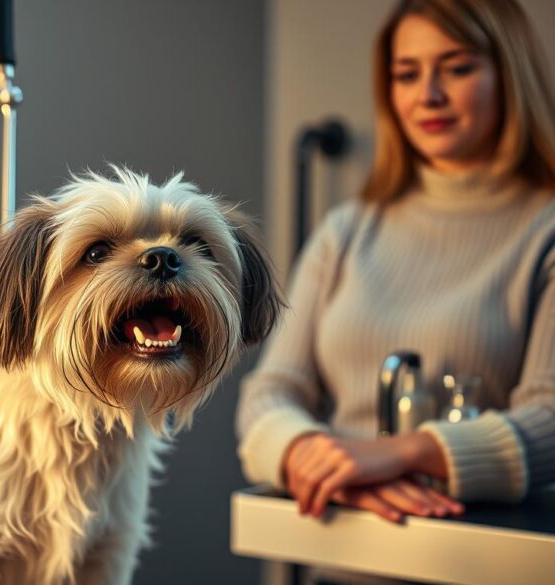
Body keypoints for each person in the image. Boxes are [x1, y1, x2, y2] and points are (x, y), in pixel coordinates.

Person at [237, 0, 555, 533]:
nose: (428, 94)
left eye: (456, 68)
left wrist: (402, 454)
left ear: (510, 72)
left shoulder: (544, 232)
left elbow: (549, 418)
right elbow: (271, 392)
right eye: (407, 74)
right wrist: (315, 456)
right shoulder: (346, 230)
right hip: (339, 552)